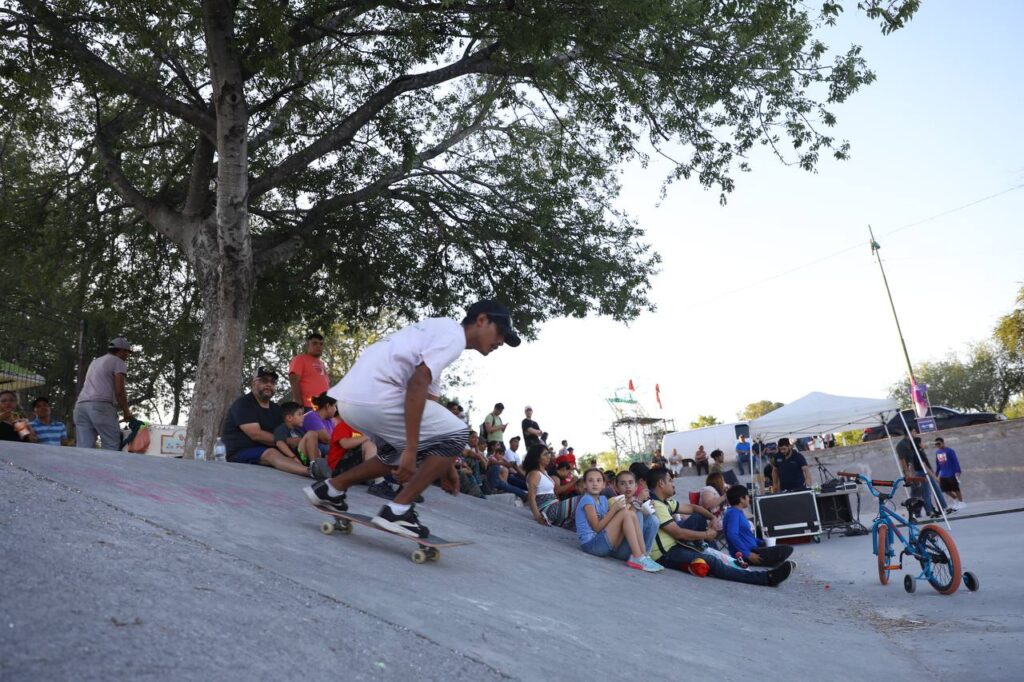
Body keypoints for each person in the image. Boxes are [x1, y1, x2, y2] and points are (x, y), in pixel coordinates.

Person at [305, 300, 521, 538]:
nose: (501, 342)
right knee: (458, 432)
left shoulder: (438, 332)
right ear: (481, 320)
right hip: (377, 396)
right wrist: (412, 448)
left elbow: (429, 405)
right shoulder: (454, 337)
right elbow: (417, 383)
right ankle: (398, 510)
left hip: (349, 402)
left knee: (394, 453)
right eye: (500, 332)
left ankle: (332, 489)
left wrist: (446, 465)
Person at [647, 469, 793, 586]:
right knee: (712, 560)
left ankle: (715, 555)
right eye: (670, 480)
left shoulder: (665, 502)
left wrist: (712, 517)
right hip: (665, 555)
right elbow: (678, 533)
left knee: (699, 518)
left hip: (676, 545)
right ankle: (767, 578)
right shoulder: (657, 505)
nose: (673, 483)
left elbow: (693, 508)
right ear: (661, 483)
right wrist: (706, 535)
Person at [221, 367, 312, 476]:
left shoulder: (277, 409)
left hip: (269, 450)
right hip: (240, 452)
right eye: (264, 380)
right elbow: (256, 434)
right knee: (271, 453)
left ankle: (318, 467)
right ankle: (311, 472)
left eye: (272, 382)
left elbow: (284, 431)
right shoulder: (243, 404)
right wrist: (288, 441)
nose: (269, 384)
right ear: (254, 383)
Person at [575, 468, 663, 572]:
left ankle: (643, 555)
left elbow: (611, 522)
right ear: (584, 484)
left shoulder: (603, 499)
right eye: (590, 481)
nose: (595, 484)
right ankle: (638, 556)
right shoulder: (587, 500)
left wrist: (645, 508)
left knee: (634, 514)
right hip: (591, 545)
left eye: (598, 480)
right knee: (626, 513)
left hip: (604, 541)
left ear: (604, 484)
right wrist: (615, 509)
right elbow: (597, 528)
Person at [74, 337, 133, 450]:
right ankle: (107, 469)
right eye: (127, 352)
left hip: (80, 407)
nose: (127, 356)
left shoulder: (95, 361)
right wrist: (126, 412)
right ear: (121, 350)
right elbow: (120, 391)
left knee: (83, 448)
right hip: (100, 406)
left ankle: (82, 468)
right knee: (111, 444)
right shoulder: (118, 361)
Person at [724, 485, 795, 567]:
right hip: (745, 553)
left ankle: (775, 563)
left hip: (752, 548)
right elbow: (732, 535)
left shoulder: (737, 512)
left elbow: (747, 535)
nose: (748, 499)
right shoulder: (733, 513)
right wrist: (747, 554)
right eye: (747, 496)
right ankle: (775, 563)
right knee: (786, 549)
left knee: (777, 546)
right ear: (741, 499)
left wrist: (760, 542)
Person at [897, 431, 954, 518]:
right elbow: (924, 466)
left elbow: (912, 466)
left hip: (921, 473)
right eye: (922, 442)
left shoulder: (915, 453)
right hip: (924, 474)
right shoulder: (919, 453)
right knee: (927, 493)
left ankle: (942, 508)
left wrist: (913, 475)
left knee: (933, 491)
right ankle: (931, 511)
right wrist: (934, 477)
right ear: (919, 444)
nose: (924, 444)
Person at [524, 445, 579, 529]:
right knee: (584, 499)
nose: (549, 456)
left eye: (549, 454)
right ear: (537, 458)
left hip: (554, 506)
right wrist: (538, 517)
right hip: (547, 510)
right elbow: (531, 497)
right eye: (545, 454)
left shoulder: (544, 472)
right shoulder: (534, 473)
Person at [273, 401, 324, 467]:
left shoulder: (298, 431)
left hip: (304, 457)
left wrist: (317, 450)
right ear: (289, 418)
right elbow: (279, 443)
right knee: (312, 433)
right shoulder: (282, 428)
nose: (303, 417)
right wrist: (293, 458)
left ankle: (316, 462)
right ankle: (314, 465)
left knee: (313, 435)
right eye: (299, 414)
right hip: (297, 459)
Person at [288, 332, 330, 409]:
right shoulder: (300, 359)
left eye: (321, 344)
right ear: (307, 345)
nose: (318, 346)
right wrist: (298, 402)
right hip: (308, 406)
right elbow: (293, 380)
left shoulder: (322, 363)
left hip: (325, 408)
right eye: (315, 343)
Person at [302, 392, 338, 458]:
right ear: (328, 406)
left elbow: (336, 436)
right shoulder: (311, 416)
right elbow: (326, 439)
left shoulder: (329, 420)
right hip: (315, 449)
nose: (336, 409)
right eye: (335, 406)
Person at [934, 437, 964, 509]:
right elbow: (938, 464)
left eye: (939, 443)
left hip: (951, 473)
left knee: (955, 489)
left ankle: (961, 502)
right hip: (943, 474)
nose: (938, 445)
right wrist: (936, 474)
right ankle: (955, 500)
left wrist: (958, 471)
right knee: (945, 490)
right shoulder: (937, 452)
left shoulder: (950, 451)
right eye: (936, 444)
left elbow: (955, 461)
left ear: (943, 443)